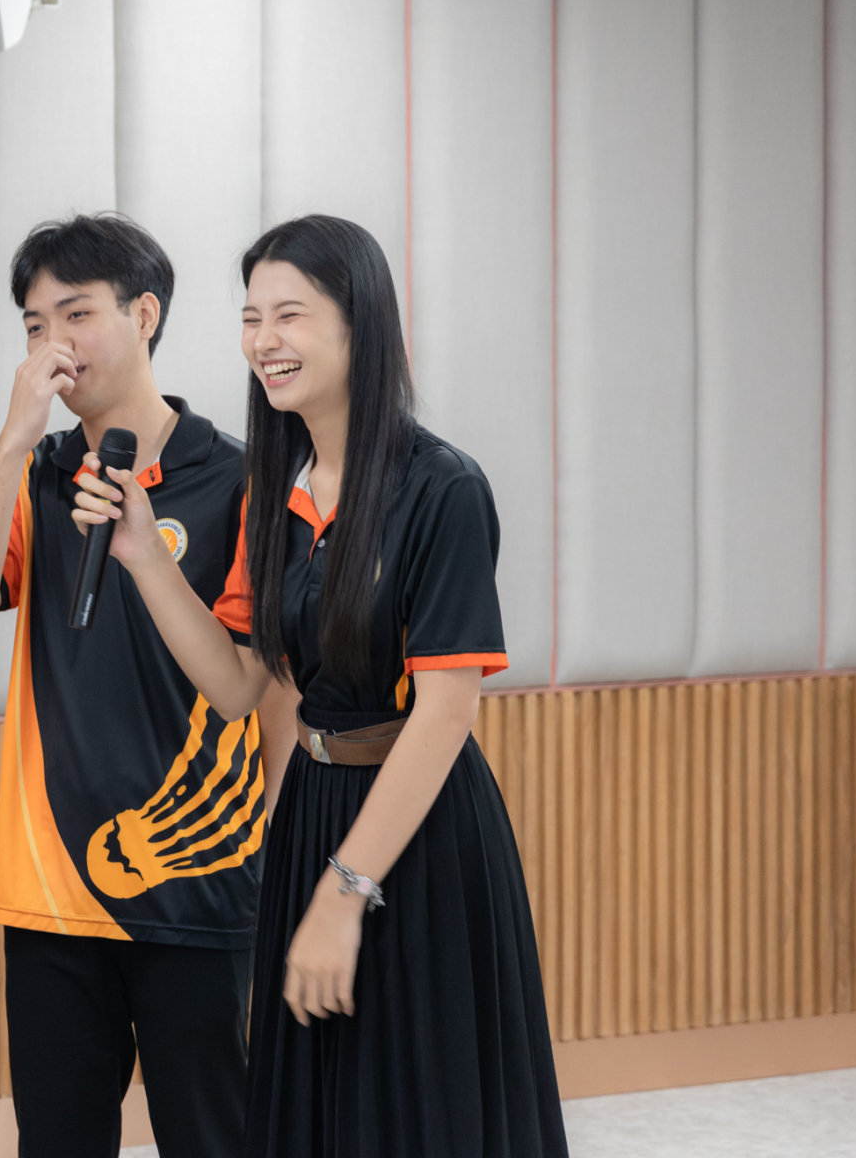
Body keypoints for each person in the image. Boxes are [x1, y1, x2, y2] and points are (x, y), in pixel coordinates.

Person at [71, 215, 568, 1157]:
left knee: (418, 1109)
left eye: (289, 314)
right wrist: (141, 555)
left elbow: (446, 714)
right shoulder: (278, 492)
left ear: (358, 324)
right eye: (251, 317)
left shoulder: (442, 489)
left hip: (417, 834)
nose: (264, 339)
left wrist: (346, 893)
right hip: (311, 813)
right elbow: (234, 685)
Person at [0, 214, 283, 1158]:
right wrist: (15, 441)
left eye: (76, 313)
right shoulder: (40, 475)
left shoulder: (239, 481)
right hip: (48, 888)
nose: (54, 343)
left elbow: (254, 690)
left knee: (215, 1139)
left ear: (144, 315)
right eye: (34, 324)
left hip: (199, 887)